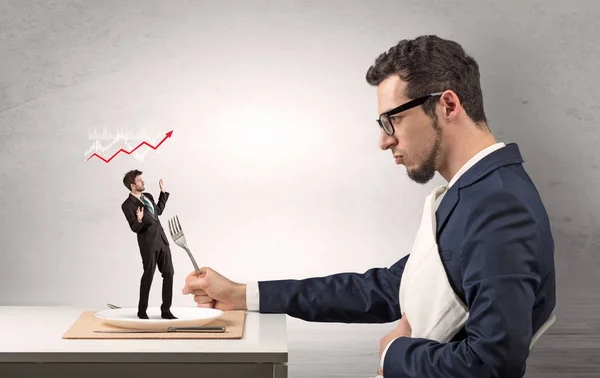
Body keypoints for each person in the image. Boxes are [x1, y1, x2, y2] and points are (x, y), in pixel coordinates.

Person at [180, 35, 556, 377]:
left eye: (392, 121)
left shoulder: (499, 206)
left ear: (447, 104)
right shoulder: (475, 192)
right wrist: (244, 294)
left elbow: (493, 364)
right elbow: (389, 288)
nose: (383, 141)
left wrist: (395, 355)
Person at [121, 169, 177, 320]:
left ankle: (166, 311)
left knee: (169, 274)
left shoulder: (148, 196)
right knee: (148, 275)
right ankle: (142, 311)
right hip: (148, 245)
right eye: (140, 180)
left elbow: (157, 211)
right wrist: (138, 220)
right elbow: (134, 228)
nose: (143, 182)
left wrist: (163, 192)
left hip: (162, 241)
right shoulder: (127, 205)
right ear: (132, 185)